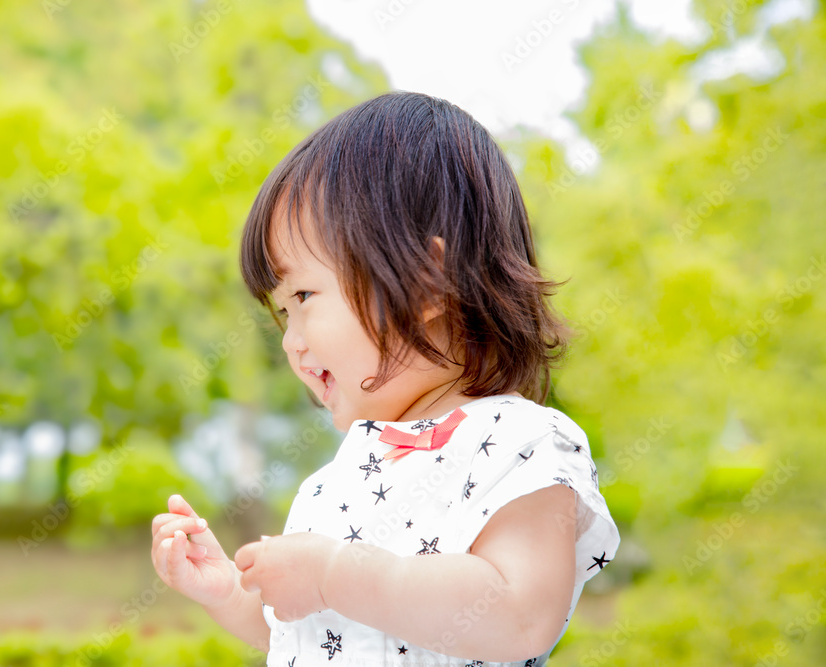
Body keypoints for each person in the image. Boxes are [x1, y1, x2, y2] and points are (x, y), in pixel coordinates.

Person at [151, 91, 621, 666]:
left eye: (303, 295)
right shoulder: (338, 480)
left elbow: (520, 616)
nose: (290, 340)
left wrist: (332, 573)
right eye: (281, 312)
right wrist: (227, 589)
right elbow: (315, 634)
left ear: (425, 285)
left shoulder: (521, 446)